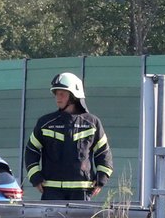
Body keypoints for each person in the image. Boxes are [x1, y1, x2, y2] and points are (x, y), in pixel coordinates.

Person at [24, 72, 113, 201]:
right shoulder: (45, 123)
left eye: (62, 94)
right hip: (51, 192)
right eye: (56, 94)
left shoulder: (92, 123)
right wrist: (35, 177)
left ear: (73, 96)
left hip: (82, 192)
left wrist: (101, 178)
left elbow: (104, 152)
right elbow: (31, 150)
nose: (57, 98)